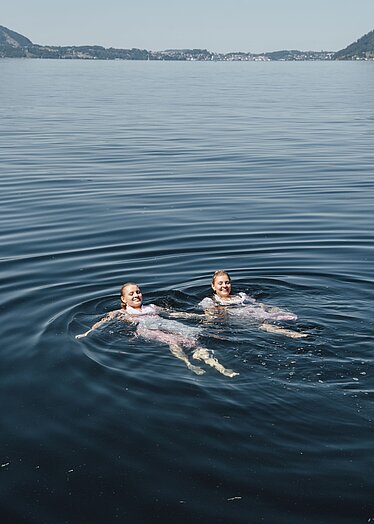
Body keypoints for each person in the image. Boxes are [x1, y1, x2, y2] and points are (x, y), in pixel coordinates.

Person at [76, 282, 239, 377]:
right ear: (123, 299)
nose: (136, 296)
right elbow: (102, 322)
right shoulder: (120, 312)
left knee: (193, 337)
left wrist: (196, 318)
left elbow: (174, 313)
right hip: (146, 328)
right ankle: (188, 362)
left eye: (138, 292)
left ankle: (219, 367)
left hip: (162, 322)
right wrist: (87, 333)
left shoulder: (152, 307)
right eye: (131, 294)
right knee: (173, 340)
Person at [199, 270, 308, 338]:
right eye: (220, 283)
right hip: (243, 316)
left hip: (258, 311)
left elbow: (260, 304)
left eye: (227, 282)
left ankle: (301, 329)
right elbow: (210, 319)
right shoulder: (210, 301)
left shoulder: (241, 295)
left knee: (289, 319)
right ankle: (292, 334)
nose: (224, 286)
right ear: (213, 286)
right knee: (264, 326)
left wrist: (274, 310)